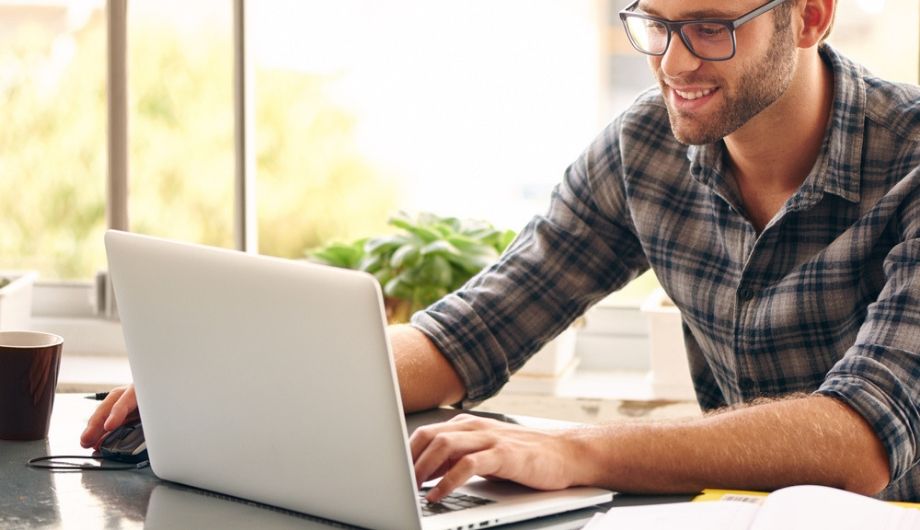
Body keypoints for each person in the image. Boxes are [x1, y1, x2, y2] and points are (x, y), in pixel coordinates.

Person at [82, 0, 920, 503]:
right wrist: (225, 383)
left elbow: (861, 439)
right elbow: (469, 333)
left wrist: (571, 448)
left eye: (708, 27)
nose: (673, 63)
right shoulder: (645, 150)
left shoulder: (911, 159)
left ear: (811, 14)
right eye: (653, 23)